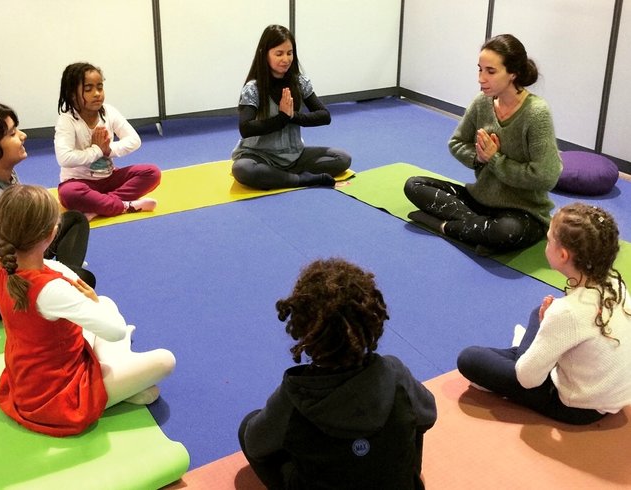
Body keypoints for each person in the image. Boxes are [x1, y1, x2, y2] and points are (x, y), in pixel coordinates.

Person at [0, 184, 176, 436]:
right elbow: (116, 332)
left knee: (106, 304)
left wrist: (94, 302)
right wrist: (93, 302)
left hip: (28, 376)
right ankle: (118, 382)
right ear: (52, 233)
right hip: (54, 396)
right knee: (165, 360)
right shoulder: (50, 290)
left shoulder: (3, 266)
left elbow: (57, 273)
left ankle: (122, 382)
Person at [238, 258, 437, 489]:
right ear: (372, 319)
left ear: (304, 329)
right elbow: (428, 416)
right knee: (410, 414)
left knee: (249, 426)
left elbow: (255, 444)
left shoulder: (295, 395)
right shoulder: (394, 373)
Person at [457, 203, 631, 425]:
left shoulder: (566, 312)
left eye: (549, 240)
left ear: (562, 255)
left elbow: (527, 380)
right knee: (537, 314)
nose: (546, 245)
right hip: (613, 395)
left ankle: (524, 355)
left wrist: (538, 350)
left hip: (576, 407)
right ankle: (531, 354)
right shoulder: (615, 283)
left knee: (470, 358)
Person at [404, 34, 562, 255]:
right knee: (414, 185)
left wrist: (495, 160)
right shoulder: (482, 102)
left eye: (490, 71)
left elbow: (547, 177)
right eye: (480, 69)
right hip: (479, 200)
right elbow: (456, 142)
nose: (481, 78)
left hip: (523, 212)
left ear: (513, 73)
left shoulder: (537, 113)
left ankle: (446, 227)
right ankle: (477, 229)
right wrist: (479, 158)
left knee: (506, 232)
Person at [0, 100, 94, 321]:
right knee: (83, 279)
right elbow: (9, 262)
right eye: (12, 134)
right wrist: (55, 279)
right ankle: (65, 277)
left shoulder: (2, 173)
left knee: (75, 219)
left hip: (21, 251)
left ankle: (65, 272)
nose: (23, 136)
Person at [231, 25, 352, 190]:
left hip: (294, 156)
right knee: (242, 169)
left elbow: (325, 116)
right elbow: (245, 128)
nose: (286, 59)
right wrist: (282, 118)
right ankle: (303, 179)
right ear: (264, 54)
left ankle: (278, 176)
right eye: (279, 54)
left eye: (289, 53)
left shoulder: (299, 82)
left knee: (342, 158)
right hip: (260, 156)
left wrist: (293, 116)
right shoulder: (253, 88)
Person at [54, 62, 161, 221]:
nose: (97, 93)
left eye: (100, 87)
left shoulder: (109, 112)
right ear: (72, 94)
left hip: (110, 179)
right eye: (88, 89)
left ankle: (100, 206)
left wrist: (108, 150)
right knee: (68, 194)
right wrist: (97, 150)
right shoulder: (67, 120)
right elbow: (64, 158)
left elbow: (134, 140)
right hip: (79, 183)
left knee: (152, 173)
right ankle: (126, 205)